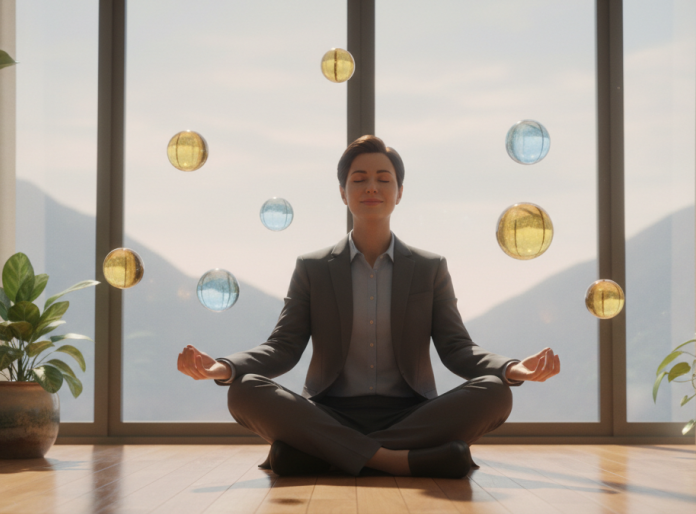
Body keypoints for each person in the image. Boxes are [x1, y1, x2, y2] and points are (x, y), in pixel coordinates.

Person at [177, 135, 560, 478]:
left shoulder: (430, 268)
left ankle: (323, 454)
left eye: (383, 178)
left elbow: (457, 349)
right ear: (343, 192)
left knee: (496, 392)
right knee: (243, 391)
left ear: (400, 191)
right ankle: (396, 460)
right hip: (330, 411)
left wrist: (512, 368)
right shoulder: (312, 268)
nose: (371, 187)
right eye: (359, 179)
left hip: (411, 414)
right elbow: (283, 348)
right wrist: (223, 367)